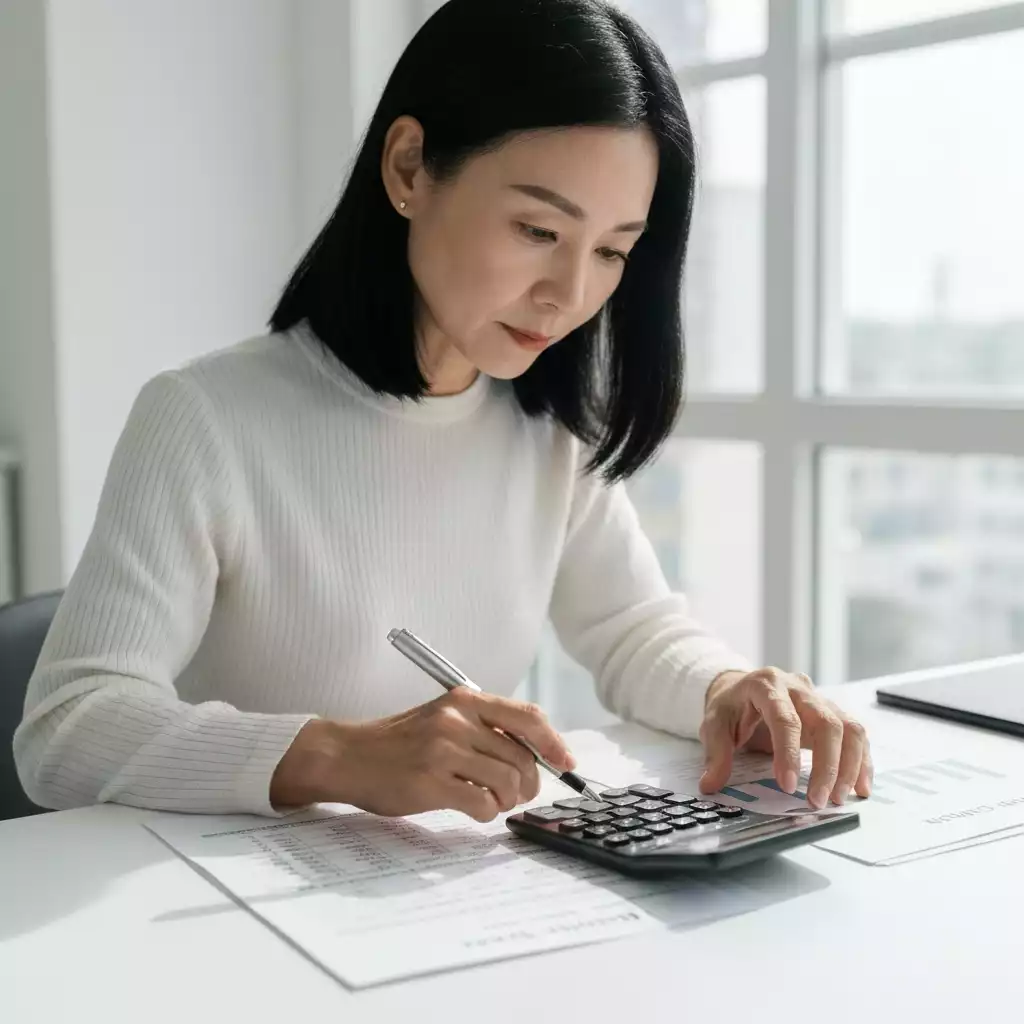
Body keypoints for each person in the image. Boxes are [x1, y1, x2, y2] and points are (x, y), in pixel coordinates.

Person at [14, 0, 871, 822]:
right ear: (409, 168)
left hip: (438, 902)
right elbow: (67, 728)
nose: (571, 294)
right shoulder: (204, 419)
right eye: (539, 230)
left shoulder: (546, 433)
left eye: (612, 250)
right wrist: (338, 756)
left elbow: (631, 628)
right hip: (229, 913)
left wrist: (728, 690)